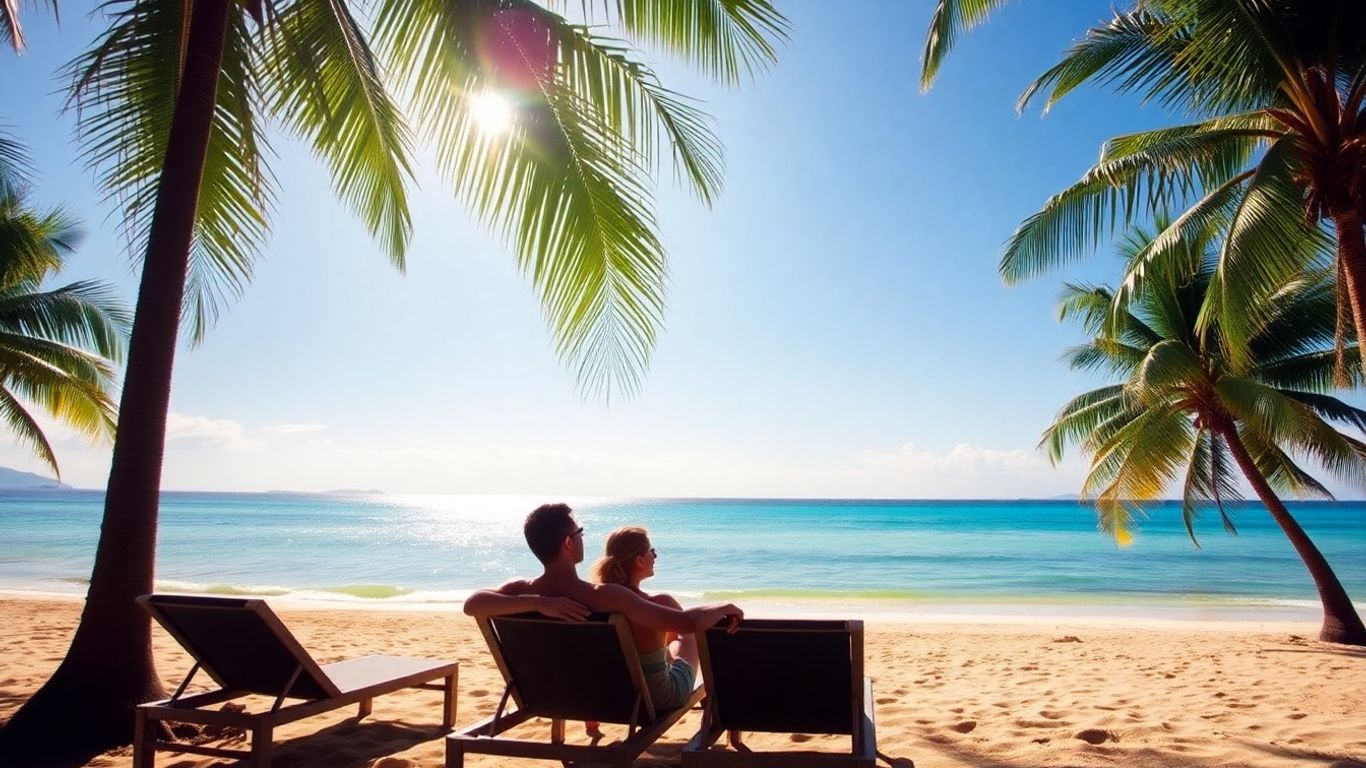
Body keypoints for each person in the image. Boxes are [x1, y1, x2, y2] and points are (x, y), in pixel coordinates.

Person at [462, 505, 743, 683]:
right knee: (684, 634)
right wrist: (724, 606)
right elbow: (688, 623)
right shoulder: (606, 596)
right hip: (634, 697)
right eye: (580, 532)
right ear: (569, 543)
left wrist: (539, 602)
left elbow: (473, 604)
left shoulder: (520, 589)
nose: (583, 537)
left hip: (566, 691)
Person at [589, 526, 694, 715]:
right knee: (687, 633)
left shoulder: (593, 603)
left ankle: (666, 663)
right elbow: (689, 623)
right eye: (651, 551)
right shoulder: (659, 603)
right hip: (658, 697)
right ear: (639, 560)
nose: (655, 556)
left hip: (609, 695)